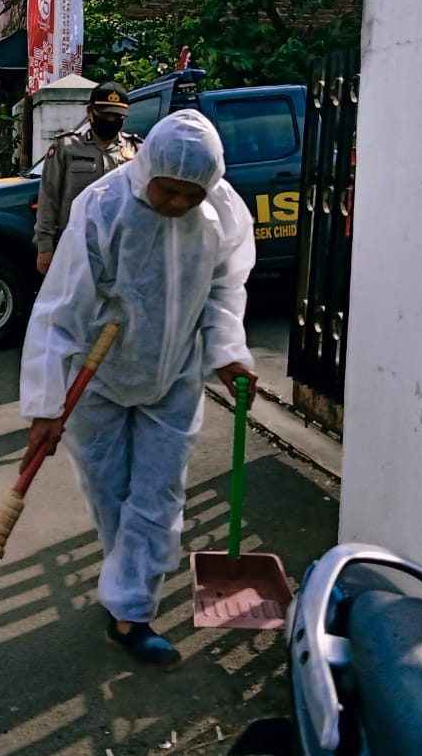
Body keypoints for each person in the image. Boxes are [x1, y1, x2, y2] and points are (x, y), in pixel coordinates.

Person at [18, 109, 259, 667]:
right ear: (147, 169)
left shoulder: (223, 211)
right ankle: (125, 574)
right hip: (98, 376)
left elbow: (226, 288)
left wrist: (227, 351)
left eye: (190, 195)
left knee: (157, 494)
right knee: (112, 493)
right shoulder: (103, 207)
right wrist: (46, 405)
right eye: (167, 191)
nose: (177, 204)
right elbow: (60, 310)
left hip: (174, 375)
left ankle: (131, 612)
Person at [33, 81, 142, 275]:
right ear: (90, 113)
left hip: (121, 247)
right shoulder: (66, 147)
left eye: (116, 117)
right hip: (75, 244)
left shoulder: (136, 150)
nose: (110, 121)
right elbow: (49, 199)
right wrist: (45, 247)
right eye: (105, 116)